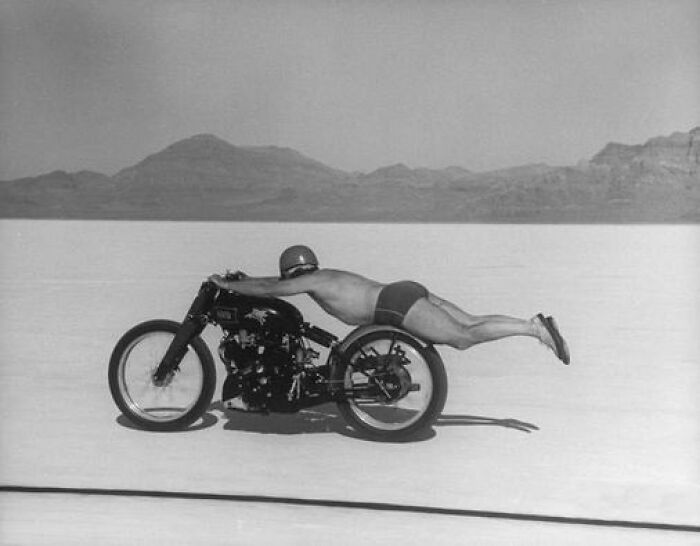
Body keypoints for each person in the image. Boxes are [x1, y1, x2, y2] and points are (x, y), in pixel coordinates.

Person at [208, 244, 570, 364]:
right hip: (404, 291)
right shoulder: (326, 274)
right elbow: (275, 286)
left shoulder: (309, 281)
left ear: (291, 271)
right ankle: (531, 323)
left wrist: (230, 284)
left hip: (393, 305)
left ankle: (532, 328)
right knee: (471, 322)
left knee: (462, 337)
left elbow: (273, 289)